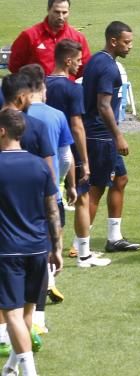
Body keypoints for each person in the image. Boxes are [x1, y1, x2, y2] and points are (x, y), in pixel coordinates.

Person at [0, 109, 62, 376]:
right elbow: (52, 210)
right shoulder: (40, 165)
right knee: (26, 314)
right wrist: (57, 248)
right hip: (39, 248)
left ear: (2, 131)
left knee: (11, 314)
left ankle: (29, 372)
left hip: (7, 251)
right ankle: (11, 367)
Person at [46, 40, 109, 268]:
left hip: (43, 152)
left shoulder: (41, 84)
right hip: (67, 152)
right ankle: (83, 255)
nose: (80, 65)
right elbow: (77, 126)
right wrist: (85, 160)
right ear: (68, 60)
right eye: (79, 60)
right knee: (82, 199)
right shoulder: (74, 89)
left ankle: (47, 252)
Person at [82, 21, 140, 252]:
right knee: (96, 188)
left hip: (97, 133)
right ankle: (81, 245)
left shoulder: (96, 60)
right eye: (126, 42)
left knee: (120, 179)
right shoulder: (108, 67)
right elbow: (104, 105)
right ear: (113, 41)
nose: (130, 46)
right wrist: (118, 136)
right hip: (101, 136)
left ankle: (114, 238)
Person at [21, 64, 74, 316]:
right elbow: (64, 157)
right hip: (48, 189)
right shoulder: (55, 116)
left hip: (13, 190)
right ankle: (39, 309)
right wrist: (64, 182)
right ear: (42, 87)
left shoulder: (9, 116)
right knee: (47, 243)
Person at [8, 0, 91, 79]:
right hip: (37, 90)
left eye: (64, 12)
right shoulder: (29, 36)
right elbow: (14, 66)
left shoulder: (78, 38)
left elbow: (85, 68)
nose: (61, 16)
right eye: (57, 12)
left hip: (66, 91)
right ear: (48, 9)